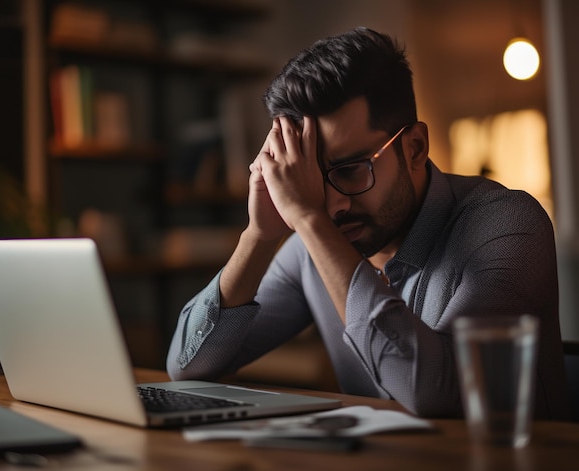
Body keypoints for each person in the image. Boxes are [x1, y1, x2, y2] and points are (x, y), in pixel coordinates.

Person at [166, 27, 569, 419]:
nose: (333, 204)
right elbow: (187, 367)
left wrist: (308, 218)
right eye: (309, 179)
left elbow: (436, 392)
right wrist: (258, 234)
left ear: (414, 147)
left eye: (351, 169)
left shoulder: (509, 225)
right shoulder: (311, 249)